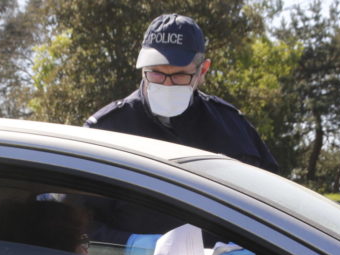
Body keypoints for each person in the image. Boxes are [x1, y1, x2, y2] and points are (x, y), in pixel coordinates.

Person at [85, 13, 279, 174]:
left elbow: (272, 198)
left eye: (179, 75)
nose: (167, 84)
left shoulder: (232, 128)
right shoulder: (108, 129)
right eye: (156, 73)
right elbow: (75, 212)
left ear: (202, 71)